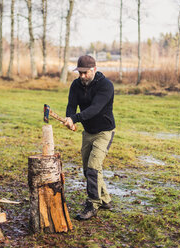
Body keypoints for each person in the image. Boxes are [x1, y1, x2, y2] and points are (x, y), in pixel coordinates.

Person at [64, 55, 115, 221]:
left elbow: (95, 109)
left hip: (104, 132)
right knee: (88, 170)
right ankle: (105, 199)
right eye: (79, 73)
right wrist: (69, 118)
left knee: (93, 167)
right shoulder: (76, 85)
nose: (82, 76)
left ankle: (93, 204)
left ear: (94, 69)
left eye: (85, 73)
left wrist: (75, 118)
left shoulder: (106, 86)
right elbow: (72, 105)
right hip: (88, 132)